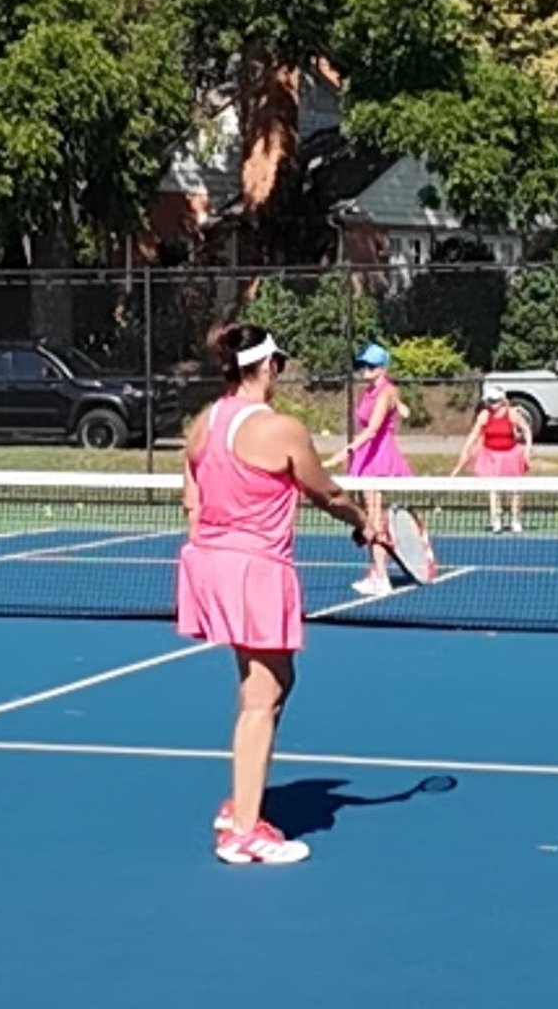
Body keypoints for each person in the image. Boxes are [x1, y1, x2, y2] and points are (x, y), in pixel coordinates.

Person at [178, 325, 388, 866]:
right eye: (280, 361)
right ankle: (243, 832)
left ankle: (239, 804)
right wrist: (364, 521)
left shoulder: (203, 424)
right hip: (256, 570)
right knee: (260, 698)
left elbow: (191, 501)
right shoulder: (281, 429)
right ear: (268, 365)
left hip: (209, 563)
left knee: (271, 682)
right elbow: (327, 491)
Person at [327, 341, 421, 596]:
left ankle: (382, 576)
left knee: (375, 518)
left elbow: (372, 430)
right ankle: (375, 572)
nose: (364, 370)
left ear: (382, 368)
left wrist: (342, 453)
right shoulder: (369, 392)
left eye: (370, 366)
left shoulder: (386, 391)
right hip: (364, 457)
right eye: (362, 365)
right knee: (369, 517)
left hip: (378, 458)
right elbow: (399, 410)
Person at [455, 383, 534, 533]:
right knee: (493, 489)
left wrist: (527, 449)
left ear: (502, 401)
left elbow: (526, 430)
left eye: (494, 401)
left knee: (515, 490)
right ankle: (496, 520)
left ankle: (515, 520)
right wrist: (466, 449)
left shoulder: (512, 414)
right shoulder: (484, 415)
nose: (491, 404)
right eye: (489, 401)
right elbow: (474, 434)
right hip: (490, 456)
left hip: (511, 456)